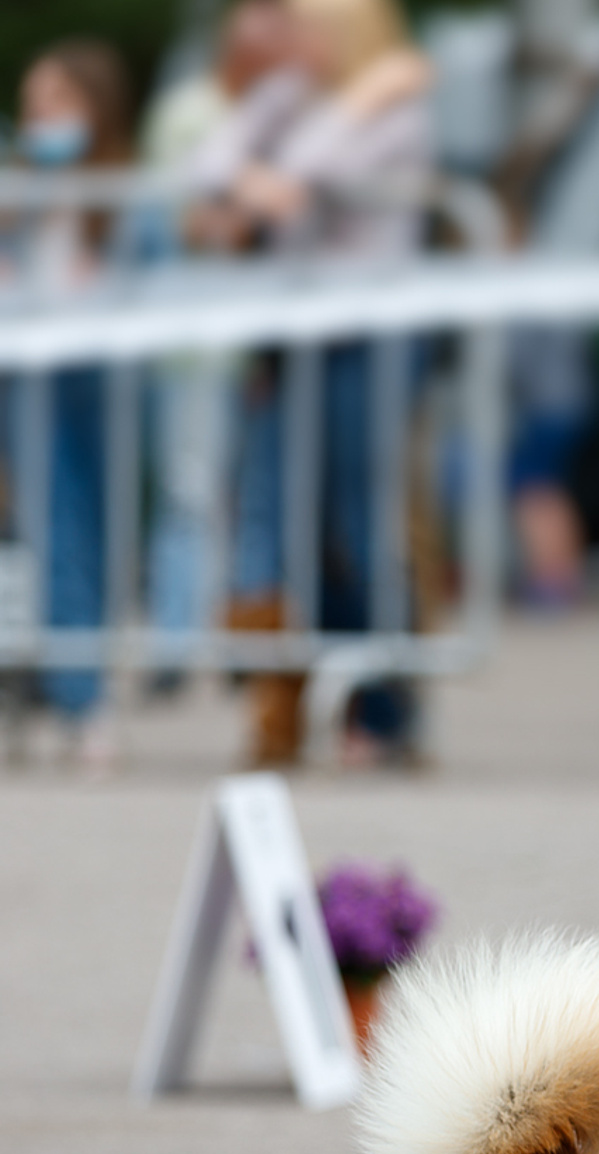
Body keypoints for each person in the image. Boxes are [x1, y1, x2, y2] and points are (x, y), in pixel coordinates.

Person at [186, 0, 433, 768]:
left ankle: (385, 711)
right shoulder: (290, 96)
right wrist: (261, 173)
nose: (291, 39)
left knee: (356, 523)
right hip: (288, 336)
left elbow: (317, 173)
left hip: (367, 338)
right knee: (269, 517)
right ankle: (278, 709)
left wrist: (352, 105)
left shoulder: (395, 111)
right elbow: (208, 161)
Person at [3, 41, 137, 772]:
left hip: (95, 380)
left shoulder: (125, 202)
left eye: (56, 103)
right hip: (32, 379)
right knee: (54, 535)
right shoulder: (22, 199)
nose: (40, 120)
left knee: (92, 535)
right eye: (32, 107)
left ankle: (83, 691)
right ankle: (73, 694)